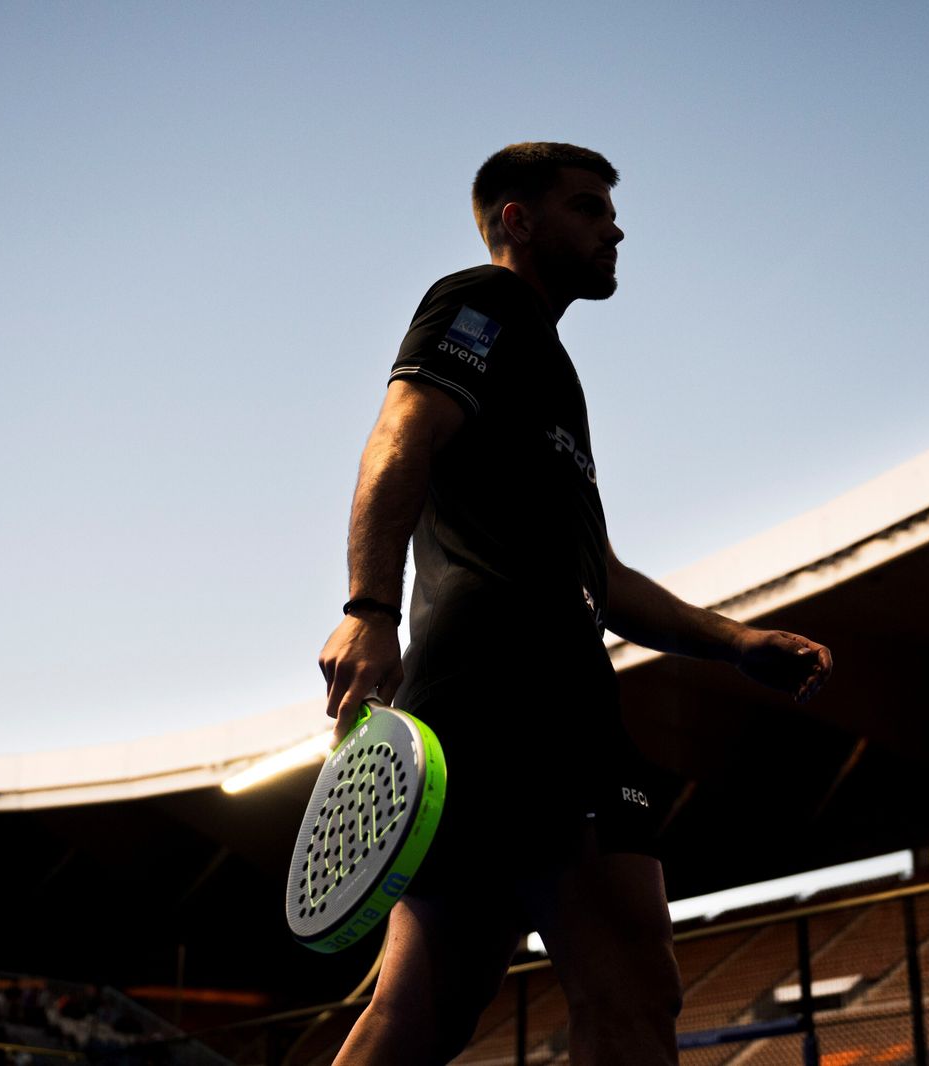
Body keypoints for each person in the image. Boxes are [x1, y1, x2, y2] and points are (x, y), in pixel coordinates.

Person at [316, 142, 834, 1066]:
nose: (615, 229)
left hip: (479, 697)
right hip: (525, 686)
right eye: (589, 208)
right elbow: (399, 435)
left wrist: (735, 641)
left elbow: (600, 574)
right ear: (518, 220)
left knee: (424, 1004)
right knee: (630, 982)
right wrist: (368, 608)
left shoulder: (545, 367)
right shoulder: (486, 300)